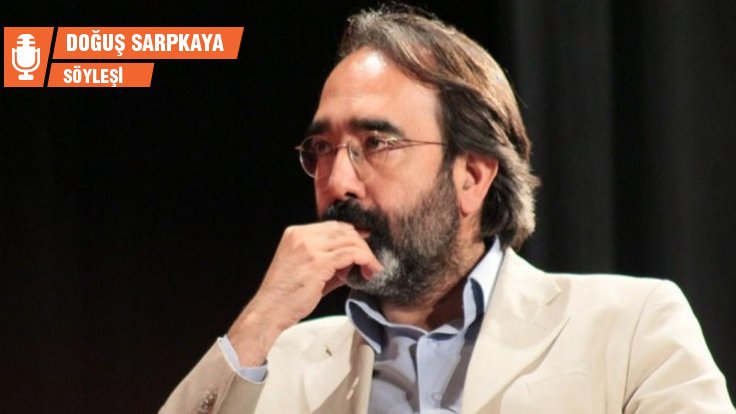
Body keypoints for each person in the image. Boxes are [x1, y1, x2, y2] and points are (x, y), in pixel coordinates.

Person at [160, 6, 734, 414]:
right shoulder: (277, 363)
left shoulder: (629, 328)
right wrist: (258, 324)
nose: (336, 182)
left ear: (471, 176)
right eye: (322, 149)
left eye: (376, 144)